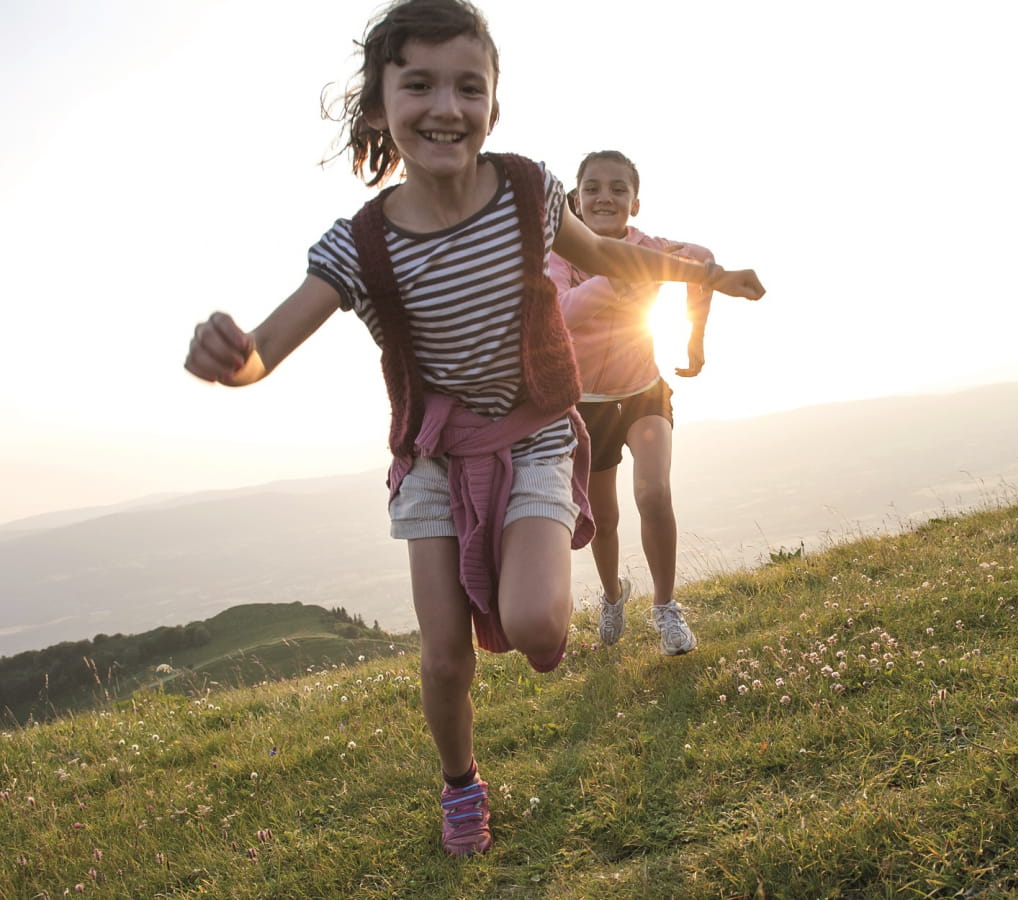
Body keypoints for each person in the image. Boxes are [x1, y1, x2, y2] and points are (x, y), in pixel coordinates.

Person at [182, 0, 764, 859]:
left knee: (540, 634)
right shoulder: (359, 246)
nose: (446, 105)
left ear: (493, 105)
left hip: (531, 433)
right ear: (380, 107)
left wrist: (700, 273)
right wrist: (233, 359)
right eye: (418, 84)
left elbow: (610, 256)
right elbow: (268, 347)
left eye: (469, 85)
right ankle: (461, 787)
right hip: (433, 455)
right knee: (445, 656)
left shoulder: (528, 191)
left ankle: (536, 573)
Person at [550, 150, 751, 656]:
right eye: (593, 187)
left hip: (643, 391)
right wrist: (616, 277)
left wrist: (695, 340)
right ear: (576, 197)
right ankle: (614, 597)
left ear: (634, 203)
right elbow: (560, 315)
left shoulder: (650, 247)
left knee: (653, 494)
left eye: (619, 189)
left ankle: (665, 608)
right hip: (585, 403)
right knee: (604, 518)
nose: (605, 197)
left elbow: (700, 260)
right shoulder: (558, 253)